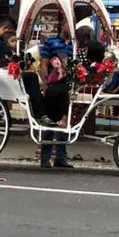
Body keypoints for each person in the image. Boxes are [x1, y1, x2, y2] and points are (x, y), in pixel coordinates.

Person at [39, 16, 74, 168]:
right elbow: (44, 63)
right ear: (63, 25)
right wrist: (46, 83)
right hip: (54, 85)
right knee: (52, 119)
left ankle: (61, 156)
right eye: (69, 23)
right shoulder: (51, 41)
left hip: (67, 85)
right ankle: (45, 157)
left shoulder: (75, 44)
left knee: (65, 119)